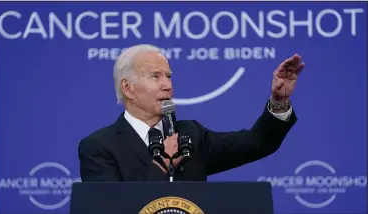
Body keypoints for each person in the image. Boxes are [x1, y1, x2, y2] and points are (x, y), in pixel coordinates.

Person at [78, 44, 305, 182]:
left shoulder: (191, 134)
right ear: (128, 88)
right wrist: (163, 164)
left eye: (168, 76)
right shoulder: (99, 147)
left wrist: (279, 100)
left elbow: (257, 143)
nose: (168, 85)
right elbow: (109, 207)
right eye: (156, 76)